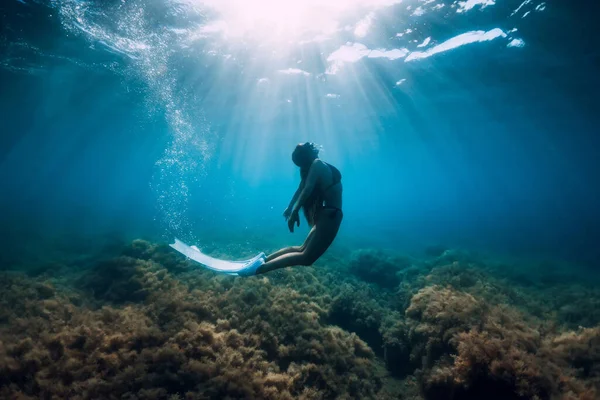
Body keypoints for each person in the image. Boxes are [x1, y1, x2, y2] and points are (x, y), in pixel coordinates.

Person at [238, 142, 343, 276]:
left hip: (326, 214)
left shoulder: (312, 167)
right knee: (306, 257)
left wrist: (290, 207)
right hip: (332, 214)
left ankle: (263, 260)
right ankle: (259, 269)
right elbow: (306, 189)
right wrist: (293, 210)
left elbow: (302, 189)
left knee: (301, 249)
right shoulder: (317, 163)